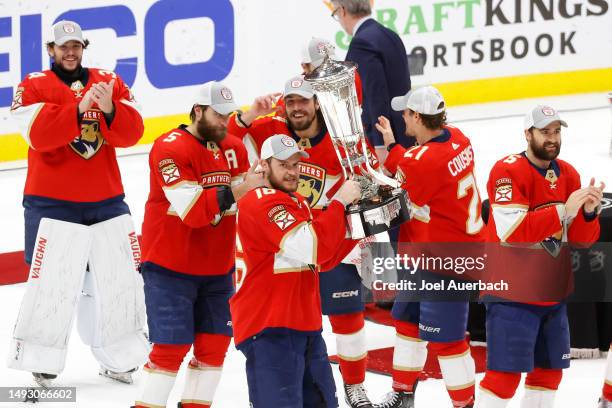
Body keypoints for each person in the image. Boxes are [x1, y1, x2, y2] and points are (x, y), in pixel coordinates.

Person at [8, 19, 147, 386]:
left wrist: (112, 110)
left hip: (106, 200)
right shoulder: (34, 84)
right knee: (52, 284)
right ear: (50, 49)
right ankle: (43, 357)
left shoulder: (109, 81)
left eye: (76, 46)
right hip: (51, 203)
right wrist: (78, 107)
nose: (70, 52)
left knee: (118, 281)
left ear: (83, 47)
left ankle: (120, 356)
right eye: (62, 46)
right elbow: (35, 134)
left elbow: (134, 133)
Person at [229, 76, 382, 407]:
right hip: (269, 327)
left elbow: (322, 258)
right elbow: (312, 247)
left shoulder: (294, 201)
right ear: (263, 165)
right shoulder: (261, 200)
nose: (293, 171)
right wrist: (339, 203)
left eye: (296, 164)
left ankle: (356, 386)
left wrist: (359, 226)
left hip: (301, 324)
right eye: (283, 165)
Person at [134, 81, 260, 408]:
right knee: (169, 350)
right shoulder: (170, 147)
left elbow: (244, 202)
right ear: (198, 110)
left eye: (228, 115)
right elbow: (192, 211)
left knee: (215, 347)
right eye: (218, 115)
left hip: (217, 269)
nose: (224, 122)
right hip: (169, 267)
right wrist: (240, 191)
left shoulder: (233, 147)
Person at [475, 106, 603, 407]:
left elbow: (582, 243)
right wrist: (563, 211)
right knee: (503, 379)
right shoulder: (506, 171)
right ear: (527, 134)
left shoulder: (568, 173)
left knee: (548, 375)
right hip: (512, 296)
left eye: (557, 131)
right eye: (545, 131)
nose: (552, 138)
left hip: (552, 296)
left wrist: (587, 214)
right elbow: (513, 233)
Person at [375, 86, 485, 407]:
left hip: (445, 261)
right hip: (432, 252)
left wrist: (387, 154)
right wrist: (395, 145)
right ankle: (403, 393)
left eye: (407, 113)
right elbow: (418, 165)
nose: (402, 117)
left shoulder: (421, 161)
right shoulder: (458, 137)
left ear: (419, 117)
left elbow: (405, 180)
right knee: (407, 322)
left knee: (448, 342)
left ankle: (464, 404)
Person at [330, 0, 411, 162]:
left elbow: (375, 94)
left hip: (390, 138)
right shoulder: (390, 34)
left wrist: (382, 144)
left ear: (343, 10)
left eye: (335, 13)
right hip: (406, 128)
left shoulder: (361, 43)